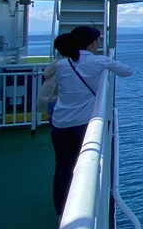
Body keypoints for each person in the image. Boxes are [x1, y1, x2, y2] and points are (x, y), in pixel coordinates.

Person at [50, 26, 134, 215]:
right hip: (85, 124)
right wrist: (107, 63)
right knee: (87, 164)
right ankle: (83, 206)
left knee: (62, 167)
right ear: (92, 43)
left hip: (60, 122)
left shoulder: (62, 64)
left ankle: (60, 209)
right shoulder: (99, 62)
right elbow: (127, 71)